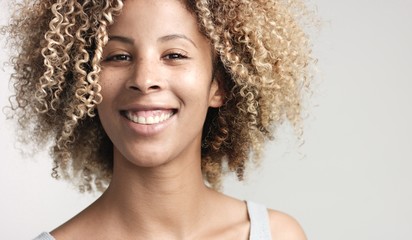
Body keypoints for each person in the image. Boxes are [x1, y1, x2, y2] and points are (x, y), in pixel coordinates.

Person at [4, 0, 313, 239]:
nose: (144, 79)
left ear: (219, 85)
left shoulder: (276, 234)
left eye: (174, 55)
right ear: (85, 84)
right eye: (118, 56)